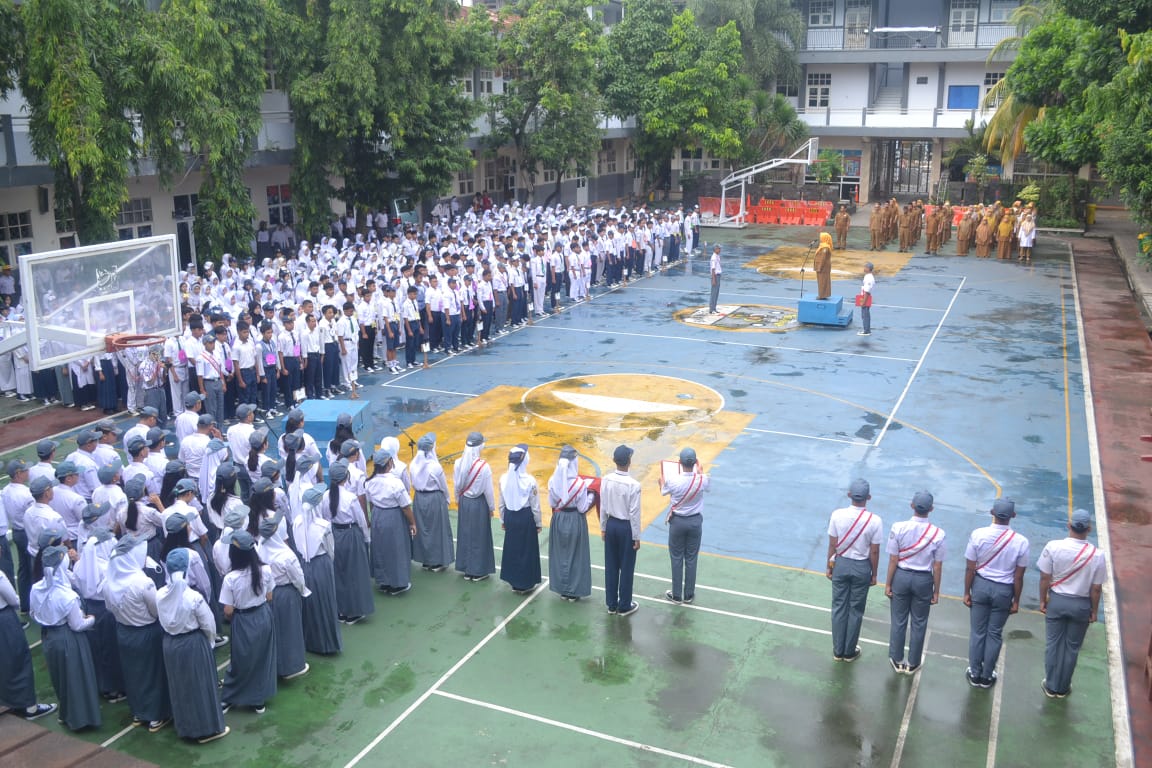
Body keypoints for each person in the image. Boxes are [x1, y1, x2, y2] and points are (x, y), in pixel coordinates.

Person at [156, 548, 229, 743]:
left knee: (180, 687)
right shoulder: (193, 597)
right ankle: (206, 729)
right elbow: (209, 624)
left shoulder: (160, 594)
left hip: (170, 644)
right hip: (193, 643)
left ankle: (186, 727)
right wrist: (209, 641)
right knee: (200, 685)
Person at [103, 535, 172, 732]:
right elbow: (156, 610)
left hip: (124, 632)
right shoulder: (143, 583)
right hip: (146, 633)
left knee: (133, 674)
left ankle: (139, 712)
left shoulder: (108, 582)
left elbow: (109, 608)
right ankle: (156, 715)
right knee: (153, 674)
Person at [30, 544, 101, 730]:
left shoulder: (36, 589)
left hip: (49, 638)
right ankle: (81, 719)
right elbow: (77, 625)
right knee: (76, 679)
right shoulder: (66, 596)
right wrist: (92, 619)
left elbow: (33, 614)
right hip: (69, 639)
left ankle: (65, 714)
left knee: (60, 677)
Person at [1037, 508, 1106, 698]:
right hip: (1081, 605)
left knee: (1053, 644)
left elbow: (1045, 577)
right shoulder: (1097, 555)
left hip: (1057, 601)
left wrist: (1043, 600)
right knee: (1072, 647)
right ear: (1089, 529)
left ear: (1069, 525)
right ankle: (1063, 687)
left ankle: (1050, 685)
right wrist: (1094, 611)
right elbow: (1096, 589)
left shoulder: (1053, 547)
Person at [963, 498, 1030, 689]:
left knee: (978, 632)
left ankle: (974, 673)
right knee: (994, 633)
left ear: (992, 512)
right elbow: (1019, 576)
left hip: (981, 586)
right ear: (1013, 516)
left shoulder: (978, 535)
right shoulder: (1021, 542)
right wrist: (1016, 601)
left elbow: (970, 568)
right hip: (1004, 590)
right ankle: (987, 675)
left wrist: (967, 592)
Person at [885, 491, 945, 674]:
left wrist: (888, 584)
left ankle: (897, 659)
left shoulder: (898, 527)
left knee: (899, 620)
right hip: (923, 580)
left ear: (912, 505)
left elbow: (893, 559)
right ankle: (913, 662)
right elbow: (937, 566)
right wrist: (936, 591)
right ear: (931, 509)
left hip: (901, 577)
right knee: (919, 622)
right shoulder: (938, 534)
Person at [219, 530, 277, 714]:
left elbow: (228, 610)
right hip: (263, 616)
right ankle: (258, 700)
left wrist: (234, 617)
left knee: (240, 660)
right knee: (261, 658)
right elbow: (269, 596)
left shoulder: (230, 578)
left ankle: (229, 697)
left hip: (243, 619)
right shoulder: (265, 570)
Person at [826, 478, 883, 662]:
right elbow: (874, 551)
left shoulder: (837, 515)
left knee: (838, 607)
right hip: (861, 567)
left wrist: (829, 566)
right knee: (856, 610)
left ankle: (838, 650)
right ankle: (849, 651)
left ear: (849, 495)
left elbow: (832, 544)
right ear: (869, 497)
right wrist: (874, 574)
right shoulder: (875, 521)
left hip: (841, 564)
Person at [258, 511, 310, 680]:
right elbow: (298, 578)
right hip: (287, 593)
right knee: (291, 629)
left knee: (276, 630)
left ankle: (277, 665)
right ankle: (293, 666)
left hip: (269, 594)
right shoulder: (286, 555)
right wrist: (302, 590)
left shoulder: (259, 550)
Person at [0, 568, 58, 720]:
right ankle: (29, 707)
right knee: (18, 659)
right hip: (4, 620)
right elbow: (13, 600)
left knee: (4, 662)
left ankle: (9, 700)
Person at [293, 485, 343, 654]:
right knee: (326, 601)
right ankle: (328, 643)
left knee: (310, 603)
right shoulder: (323, 526)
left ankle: (311, 641)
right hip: (321, 563)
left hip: (304, 564)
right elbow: (330, 549)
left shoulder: (297, 522)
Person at [323, 462, 374, 624]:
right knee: (355, 573)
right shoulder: (350, 498)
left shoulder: (325, 496)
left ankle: (341, 610)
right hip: (351, 534)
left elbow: (325, 517)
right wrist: (366, 538)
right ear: (346, 478)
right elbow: (361, 520)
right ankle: (353, 611)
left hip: (335, 534)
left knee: (339, 572)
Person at [660, 447, 709, 604]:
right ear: (695, 463)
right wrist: (701, 472)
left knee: (676, 557)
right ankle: (689, 594)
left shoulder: (673, 480)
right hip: (695, 522)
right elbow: (708, 487)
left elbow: (663, 491)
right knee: (691, 558)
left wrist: (661, 482)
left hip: (678, 522)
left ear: (679, 462)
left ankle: (676, 594)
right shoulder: (703, 479)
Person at [547, 445, 595, 602]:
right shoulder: (579, 484)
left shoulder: (553, 481)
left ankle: (562, 588)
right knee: (576, 556)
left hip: (559, 519)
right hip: (575, 519)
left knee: (560, 554)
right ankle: (574, 591)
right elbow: (582, 508)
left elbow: (552, 503)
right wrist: (591, 496)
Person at [366, 447, 416, 595]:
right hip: (393, 516)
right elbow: (405, 507)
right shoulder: (395, 483)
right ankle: (397, 583)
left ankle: (383, 581)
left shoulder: (369, 481)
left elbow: (371, 503)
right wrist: (412, 523)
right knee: (396, 549)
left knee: (380, 549)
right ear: (389, 463)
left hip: (377, 515)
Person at [600, 444, 642, 617]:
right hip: (626, 528)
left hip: (611, 524)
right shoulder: (634, 485)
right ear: (629, 461)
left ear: (614, 460)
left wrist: (603, 527)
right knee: (626, 567)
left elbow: (603, 506)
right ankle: (624, 605)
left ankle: (611, 604)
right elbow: (634, 513)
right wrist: (636, 536)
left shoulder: (606, 479)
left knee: (611, 566)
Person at [498, 444, 542, 595]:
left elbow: (501, 503)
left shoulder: (503, 478)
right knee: (527, 550)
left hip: (510, 516)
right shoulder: (530, 481)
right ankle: (526, 583)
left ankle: (514, 582)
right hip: (525, 517)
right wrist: (538, 522)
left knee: (512, 549)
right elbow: (535, 505)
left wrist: (503, 520)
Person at [407, 433, 454, 572]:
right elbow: (443, 486)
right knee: (437, 530)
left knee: (422, 530)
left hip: (419, 498)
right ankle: (437, 561)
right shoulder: (435, 467)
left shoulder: (413, 465)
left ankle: (426, 560)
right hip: (434, 498)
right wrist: (447, 499)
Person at [453, 432, 496, 582]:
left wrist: (458, 500)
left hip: (464, 501)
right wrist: (491, 507)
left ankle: (466, 568)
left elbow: (456, 486)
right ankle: (477, 571)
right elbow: (488, 491)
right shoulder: (484, 467)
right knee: (480, 536)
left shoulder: (458, 463)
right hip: (478, 503)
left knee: (465, 534)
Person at [813, 232, 833, 300]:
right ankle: (823, 294)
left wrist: (819, 267)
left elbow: (823, 258)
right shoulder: (822, 246)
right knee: (821, 281)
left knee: (823, 281)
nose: (820, 238)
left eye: (821, 237)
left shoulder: (825, 247)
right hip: (821, 266)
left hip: (823, 267)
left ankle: (822, 295)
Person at [857, 262, 874, 337]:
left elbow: (867, 291)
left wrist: (864, 301)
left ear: (868, 268)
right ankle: (866, 329)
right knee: (865, 314)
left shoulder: (869, 278)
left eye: (865, 267)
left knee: (865, 314)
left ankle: (866, 331)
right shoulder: (868, 276)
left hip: (866, 297)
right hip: (865, 296)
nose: (864, 268)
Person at [708, 245, 722, 314]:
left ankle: (714, 308)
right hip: (715, 276)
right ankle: (711, 309)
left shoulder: (717, 256)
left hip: (718, 276)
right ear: (715, 249)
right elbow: (713, 269)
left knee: (716, 293)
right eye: (719, 248)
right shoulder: (713, 257)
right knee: (714, 293)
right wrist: (713, 279)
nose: (720, 250)